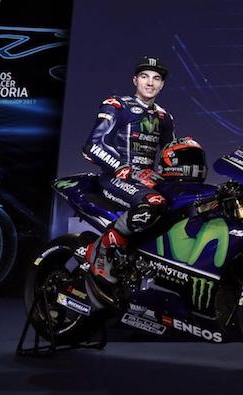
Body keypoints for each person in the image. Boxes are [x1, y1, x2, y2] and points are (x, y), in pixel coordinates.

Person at [82, 56, 176, 285]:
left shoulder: (165, 117)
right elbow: (92, 146)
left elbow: (169, 156)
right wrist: (123, 168)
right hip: (115, 177)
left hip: (147, 181)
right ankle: (101, 249)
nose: (150, 82)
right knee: (153, 202)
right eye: (144, 76)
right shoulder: (117, 105)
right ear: (135, 80)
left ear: (162, 84)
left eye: (156, 78)